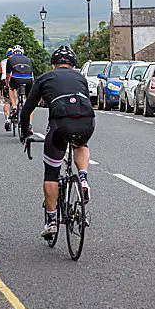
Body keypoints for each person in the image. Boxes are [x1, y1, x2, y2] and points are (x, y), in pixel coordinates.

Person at [19, 46, 94, 238]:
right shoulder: (81, 78)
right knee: (81, 145)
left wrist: (25, 132)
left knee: (51, 173)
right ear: (73, 65)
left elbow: (27, 109)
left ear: (54, 64)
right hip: (86, 122)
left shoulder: (45, 78)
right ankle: (83, 178)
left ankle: (52, 221)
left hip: (60, 125)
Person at [6, 45, 34, 131]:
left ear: (13, 53)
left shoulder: (10, 59)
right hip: (29, 80)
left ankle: (14, 106)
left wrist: (7, 83)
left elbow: (8, 75)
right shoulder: (29, 60)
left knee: (11, 88)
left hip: (16, 78)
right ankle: (29, 124)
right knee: (30, 104)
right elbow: (32, 75)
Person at [0, 48, 13, 131]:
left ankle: (8, 119)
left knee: (7, 101)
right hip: (18, 79)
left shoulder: (3, 62)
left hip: (5, 80)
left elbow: (1, 73)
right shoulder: (19, 60)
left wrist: (1, 86)